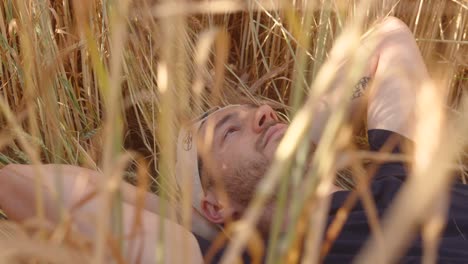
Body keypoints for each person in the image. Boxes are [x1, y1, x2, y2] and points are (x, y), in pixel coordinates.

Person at [0, 16, 467, 263]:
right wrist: (193, 221)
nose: (263, 113)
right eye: (229, 131)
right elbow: (22, 186)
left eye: (258, 112)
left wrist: (309, 133)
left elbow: (389, 39)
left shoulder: (402, 174)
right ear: (217, 208)